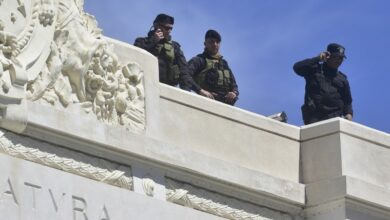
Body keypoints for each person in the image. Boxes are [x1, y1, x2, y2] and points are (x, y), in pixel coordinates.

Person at [293, 43, 353, 125]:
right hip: (314, 117)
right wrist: (317, 59)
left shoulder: (342, 78)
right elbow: (297, 68)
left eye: (341, 58)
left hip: (335, 118)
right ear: (328, 56)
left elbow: (347, 101)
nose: (338, 60)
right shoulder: (314, 69)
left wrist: (349, 114)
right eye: (335, 57)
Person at [134, 13, 193, 90]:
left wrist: (186, 91)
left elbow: (184, 71)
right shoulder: (141, 41)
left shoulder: (175, 47)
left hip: (166, 88)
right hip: (144, 85)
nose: (169, 31)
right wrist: (153, 41)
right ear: (156, 26)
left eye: (171, 29)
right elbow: (136, 55)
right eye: (166, 28)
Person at [187, 29, 239, 105]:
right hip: (204, 102)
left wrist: (234, 93)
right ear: (205, 44)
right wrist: (200, 91)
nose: (215, 44)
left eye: (217, 42)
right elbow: (185, 76)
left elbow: (234, 85)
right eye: (211, 41)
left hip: (225, 105)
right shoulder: (199, 60)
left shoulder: (224, 64)